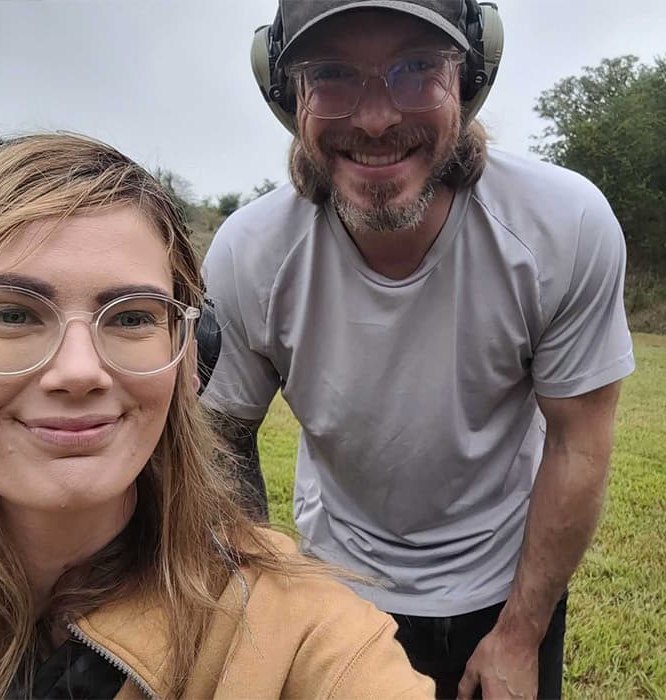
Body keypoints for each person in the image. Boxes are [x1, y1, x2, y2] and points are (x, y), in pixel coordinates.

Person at [0, 132, 432, 699]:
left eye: (133, 318)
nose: (79, 371)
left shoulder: (309, 638)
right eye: (11, 313)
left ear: (189, 359)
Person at [204, 1, 634, 697]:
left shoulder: (564, 226)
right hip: (336, 591)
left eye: (415, 68)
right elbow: (220, 442)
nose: (375, 118)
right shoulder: (251, 255)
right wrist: (271, 603)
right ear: (288, 95)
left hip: (509, 592)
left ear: (469, 74)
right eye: (333, 74)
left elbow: (578, 442)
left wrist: (521, 634)